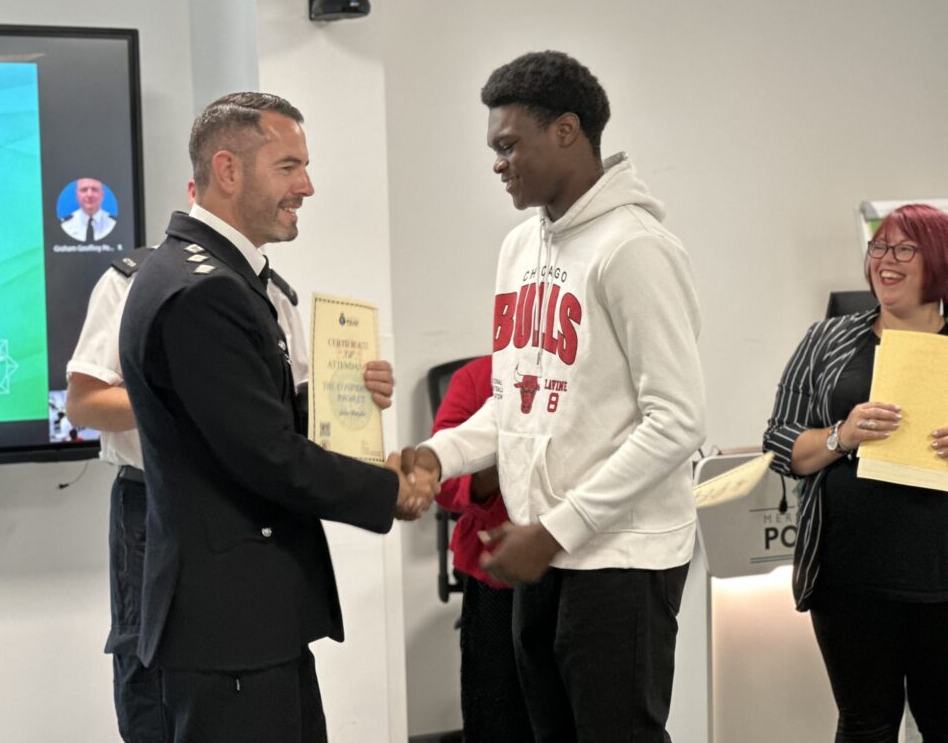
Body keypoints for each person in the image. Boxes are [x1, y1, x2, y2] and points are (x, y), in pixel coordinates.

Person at [404, 51, 705, 742]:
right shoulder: (519, 247)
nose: (498, 163)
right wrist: (437, 455)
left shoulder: (635, 249)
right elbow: (515, 400)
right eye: (494, 149)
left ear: (566, 131)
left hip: (620, 558)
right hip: (541, 549)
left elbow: (678, 422)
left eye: (509, 145)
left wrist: (557, 530)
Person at [118, 92, 434, 741]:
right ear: (229, 171)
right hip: (230, 630)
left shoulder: (214, 275)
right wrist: (388, 490)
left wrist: (345, 407)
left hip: (247, 624)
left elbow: (251, 418)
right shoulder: (204, 289)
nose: (307, 186)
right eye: (289, 167)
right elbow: (266, 454)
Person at [65, 181, 398, 742]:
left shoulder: (276, 296)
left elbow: (278, 418)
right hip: (155, 502)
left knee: (267, 683)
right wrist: (188, 404)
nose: (304, 186)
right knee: (156, 687)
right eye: (286, 168)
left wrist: (354, 395)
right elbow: (83, 402)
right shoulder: (134, 281)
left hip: (252, 509)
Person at [764, 203, 948, 742]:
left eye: (904, 248)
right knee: (865, 722)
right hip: (849, 575)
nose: (886, 261)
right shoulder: (827, 340)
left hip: (941, 579)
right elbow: (780, 441)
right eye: (878, 248)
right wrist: (840, 436)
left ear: (936, 259)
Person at [431, 355, 534, 742]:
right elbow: (442, 480)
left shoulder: (583, 378)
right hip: (497, 576)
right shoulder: (475, 379)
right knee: (497, 716)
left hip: (575, 569)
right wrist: (510, 459)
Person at [61, 177, 117, 241]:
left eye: (94, 189)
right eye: (84, 190)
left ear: (102, 194)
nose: (89, 195)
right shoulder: (66, 225)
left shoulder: (113, 223)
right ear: (77, 195)